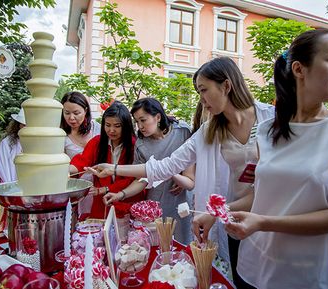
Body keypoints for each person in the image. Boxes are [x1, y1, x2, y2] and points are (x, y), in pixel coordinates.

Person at [85, 57, 275, 285]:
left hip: (271, 217)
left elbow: (278, 182)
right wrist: (114, 168)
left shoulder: (272, 118)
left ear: (226, 85)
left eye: (204, 90)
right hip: (233, 217)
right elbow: (166, 165)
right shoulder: (209, 131)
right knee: (243, 277)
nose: (202, 100)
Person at [224, 29, 328, 289]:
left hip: (304, 275)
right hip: (252, 264)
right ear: (300, 69)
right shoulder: (265, 131)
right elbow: (261, 193)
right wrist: (220, 212)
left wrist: (264, 222)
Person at [103, 98, 195, 244]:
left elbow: (190, 180)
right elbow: (141, 179)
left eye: (143, 120)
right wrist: (121, 194)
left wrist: (174, 173)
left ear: (157, 117)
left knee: (182, 246)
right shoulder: (141, 145)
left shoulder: (182, 132)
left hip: (181, 202)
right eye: (137, 122)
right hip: (155, 204)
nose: (140, 126)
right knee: (158, 246)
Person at [69, 101, 144, 219]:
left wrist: (106, 189)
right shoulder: (97, 142)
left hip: (128, 201)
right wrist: (66, 170)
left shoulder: (135, 145)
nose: (111, 130)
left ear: (126, 125)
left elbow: (134, 177)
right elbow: (82, 162)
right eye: (107, 125)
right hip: (102, 204)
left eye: (117, 126)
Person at [0, 108, 26, 230]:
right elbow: (2, 167)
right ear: (18, 125)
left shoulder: (39, 143)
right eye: (23, 125)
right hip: (13, 192)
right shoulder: (7, 144)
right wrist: (13, 191)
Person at [60, 91, 101, 159]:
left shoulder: (97, 128)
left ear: (85, 111)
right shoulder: (61, 135)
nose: (71, 118)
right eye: (67, 113)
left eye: (76, 113)